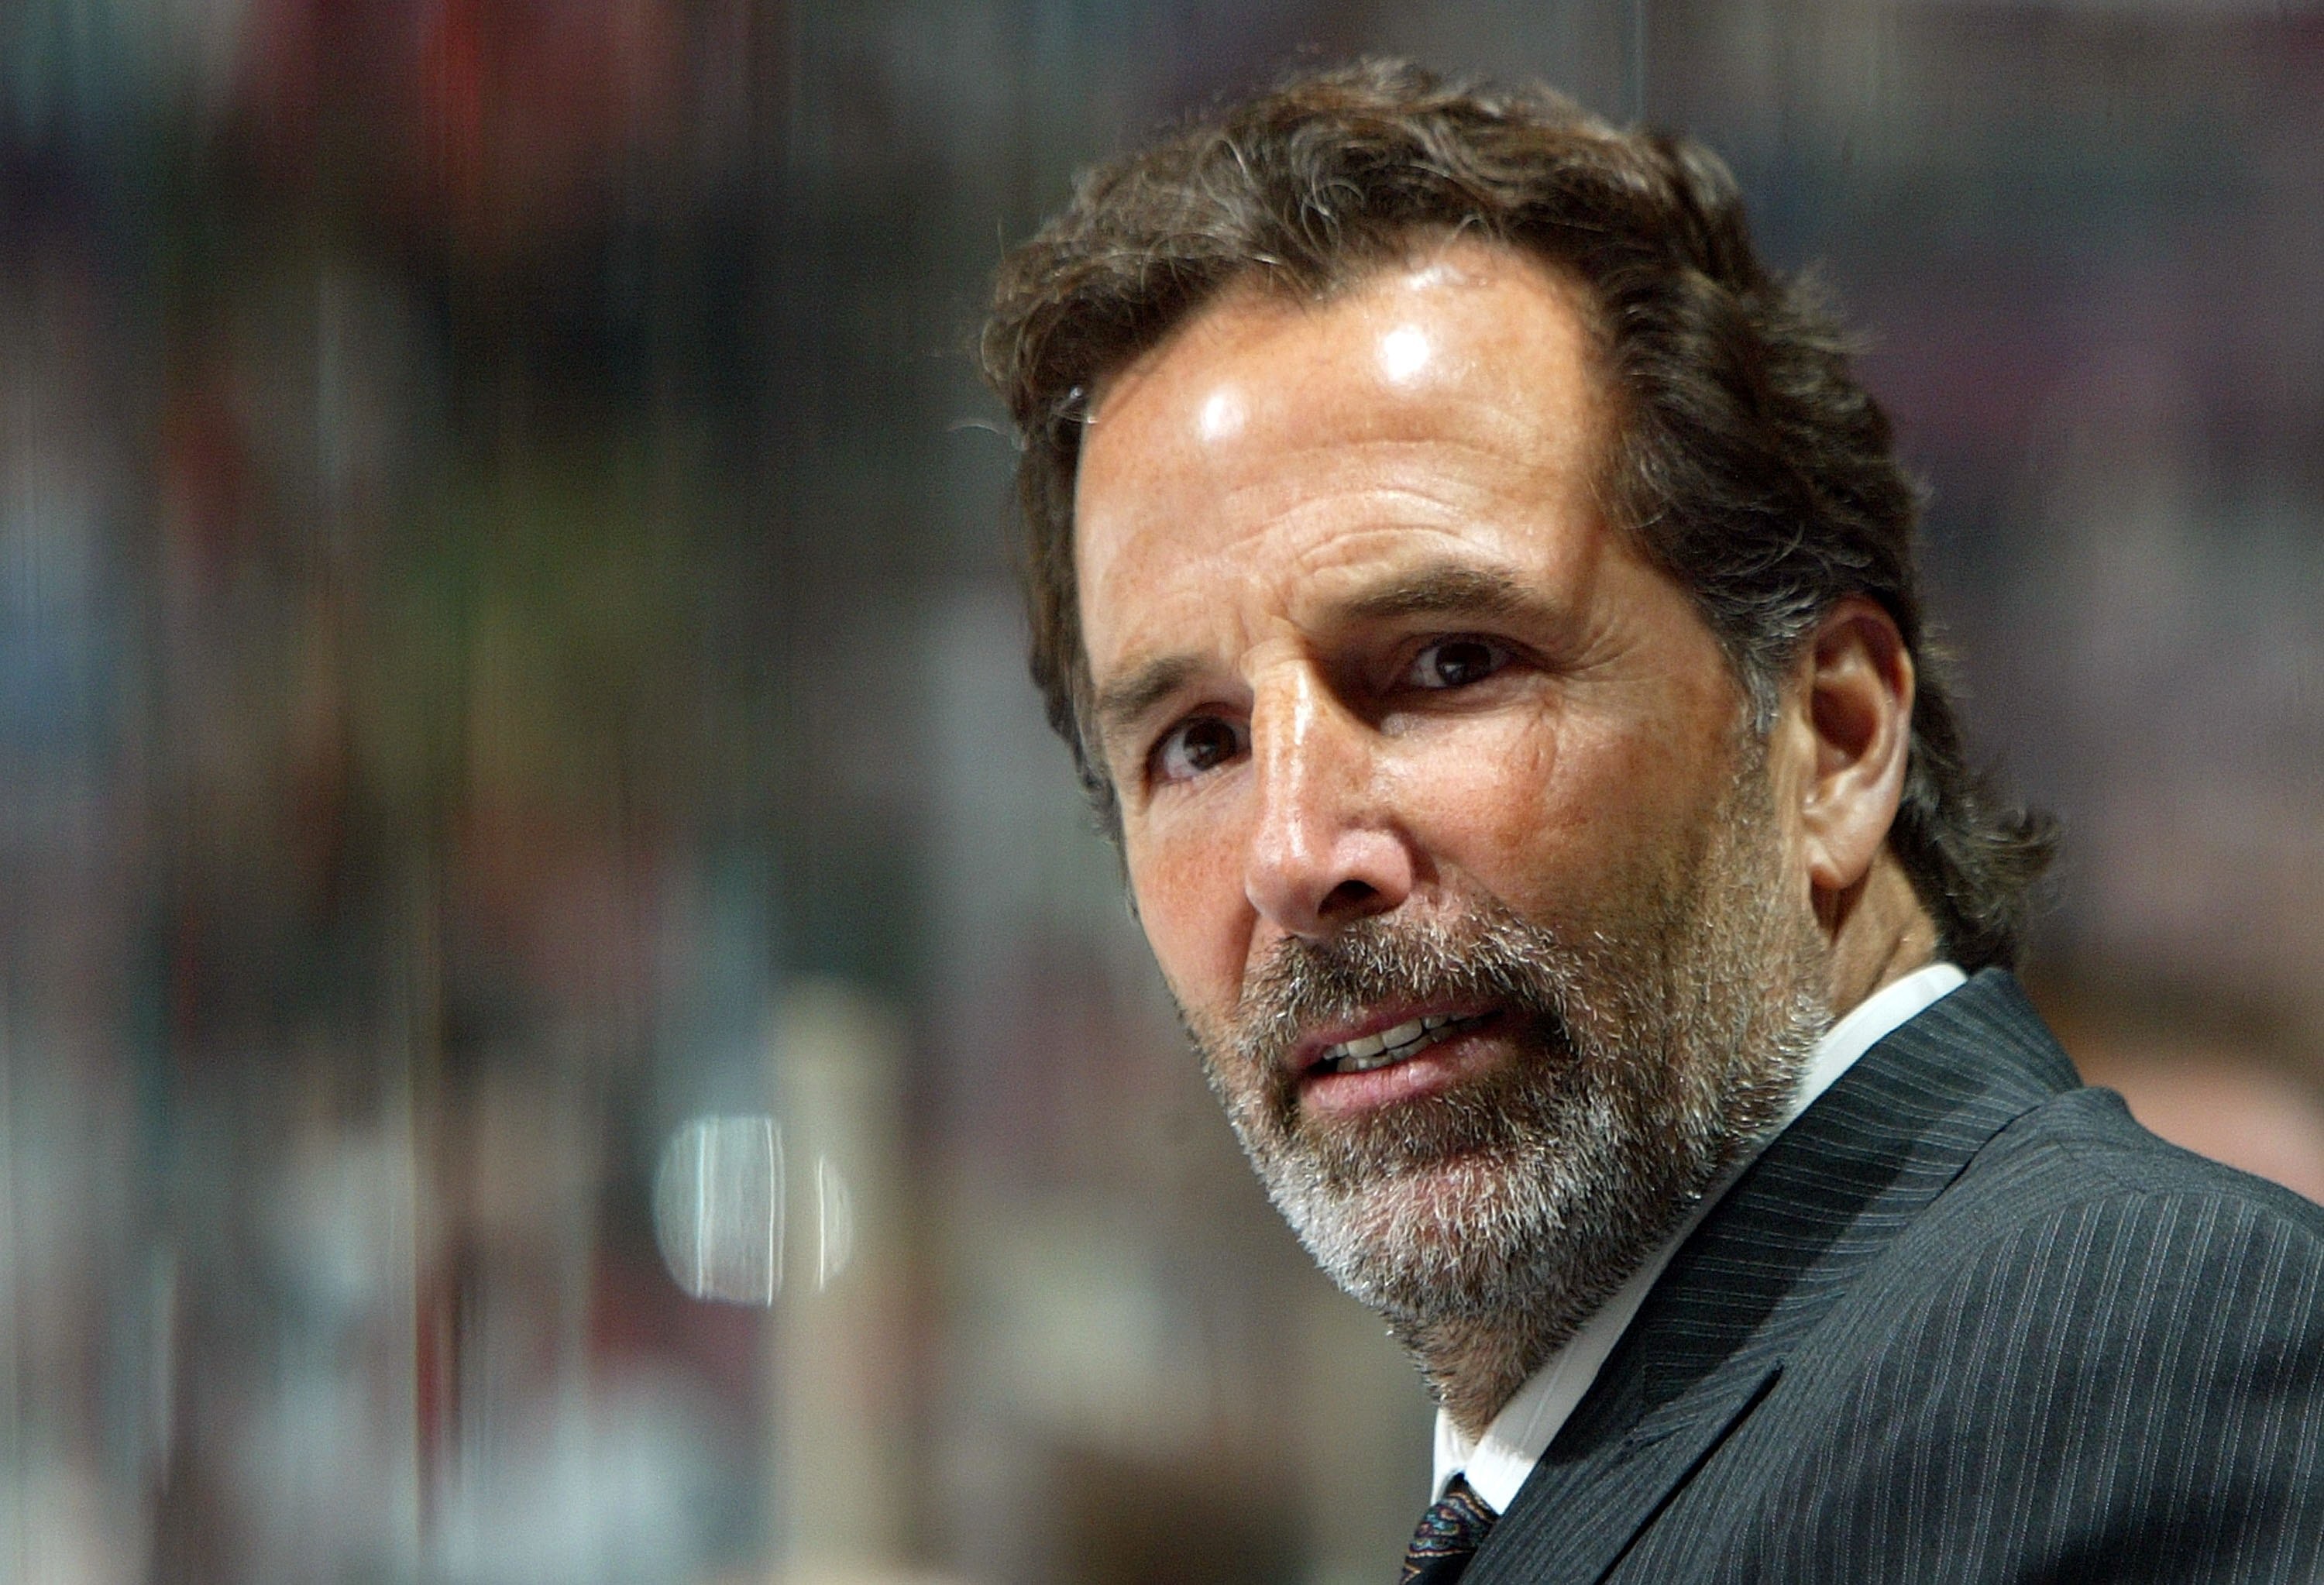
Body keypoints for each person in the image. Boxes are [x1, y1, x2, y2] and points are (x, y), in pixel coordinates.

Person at [979, 59, 2324, 1583]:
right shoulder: (1615, 1453)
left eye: (1449, 663)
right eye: (1196, 743)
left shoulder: (2159, 1359)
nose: (1296, 854)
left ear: (1829, 738)